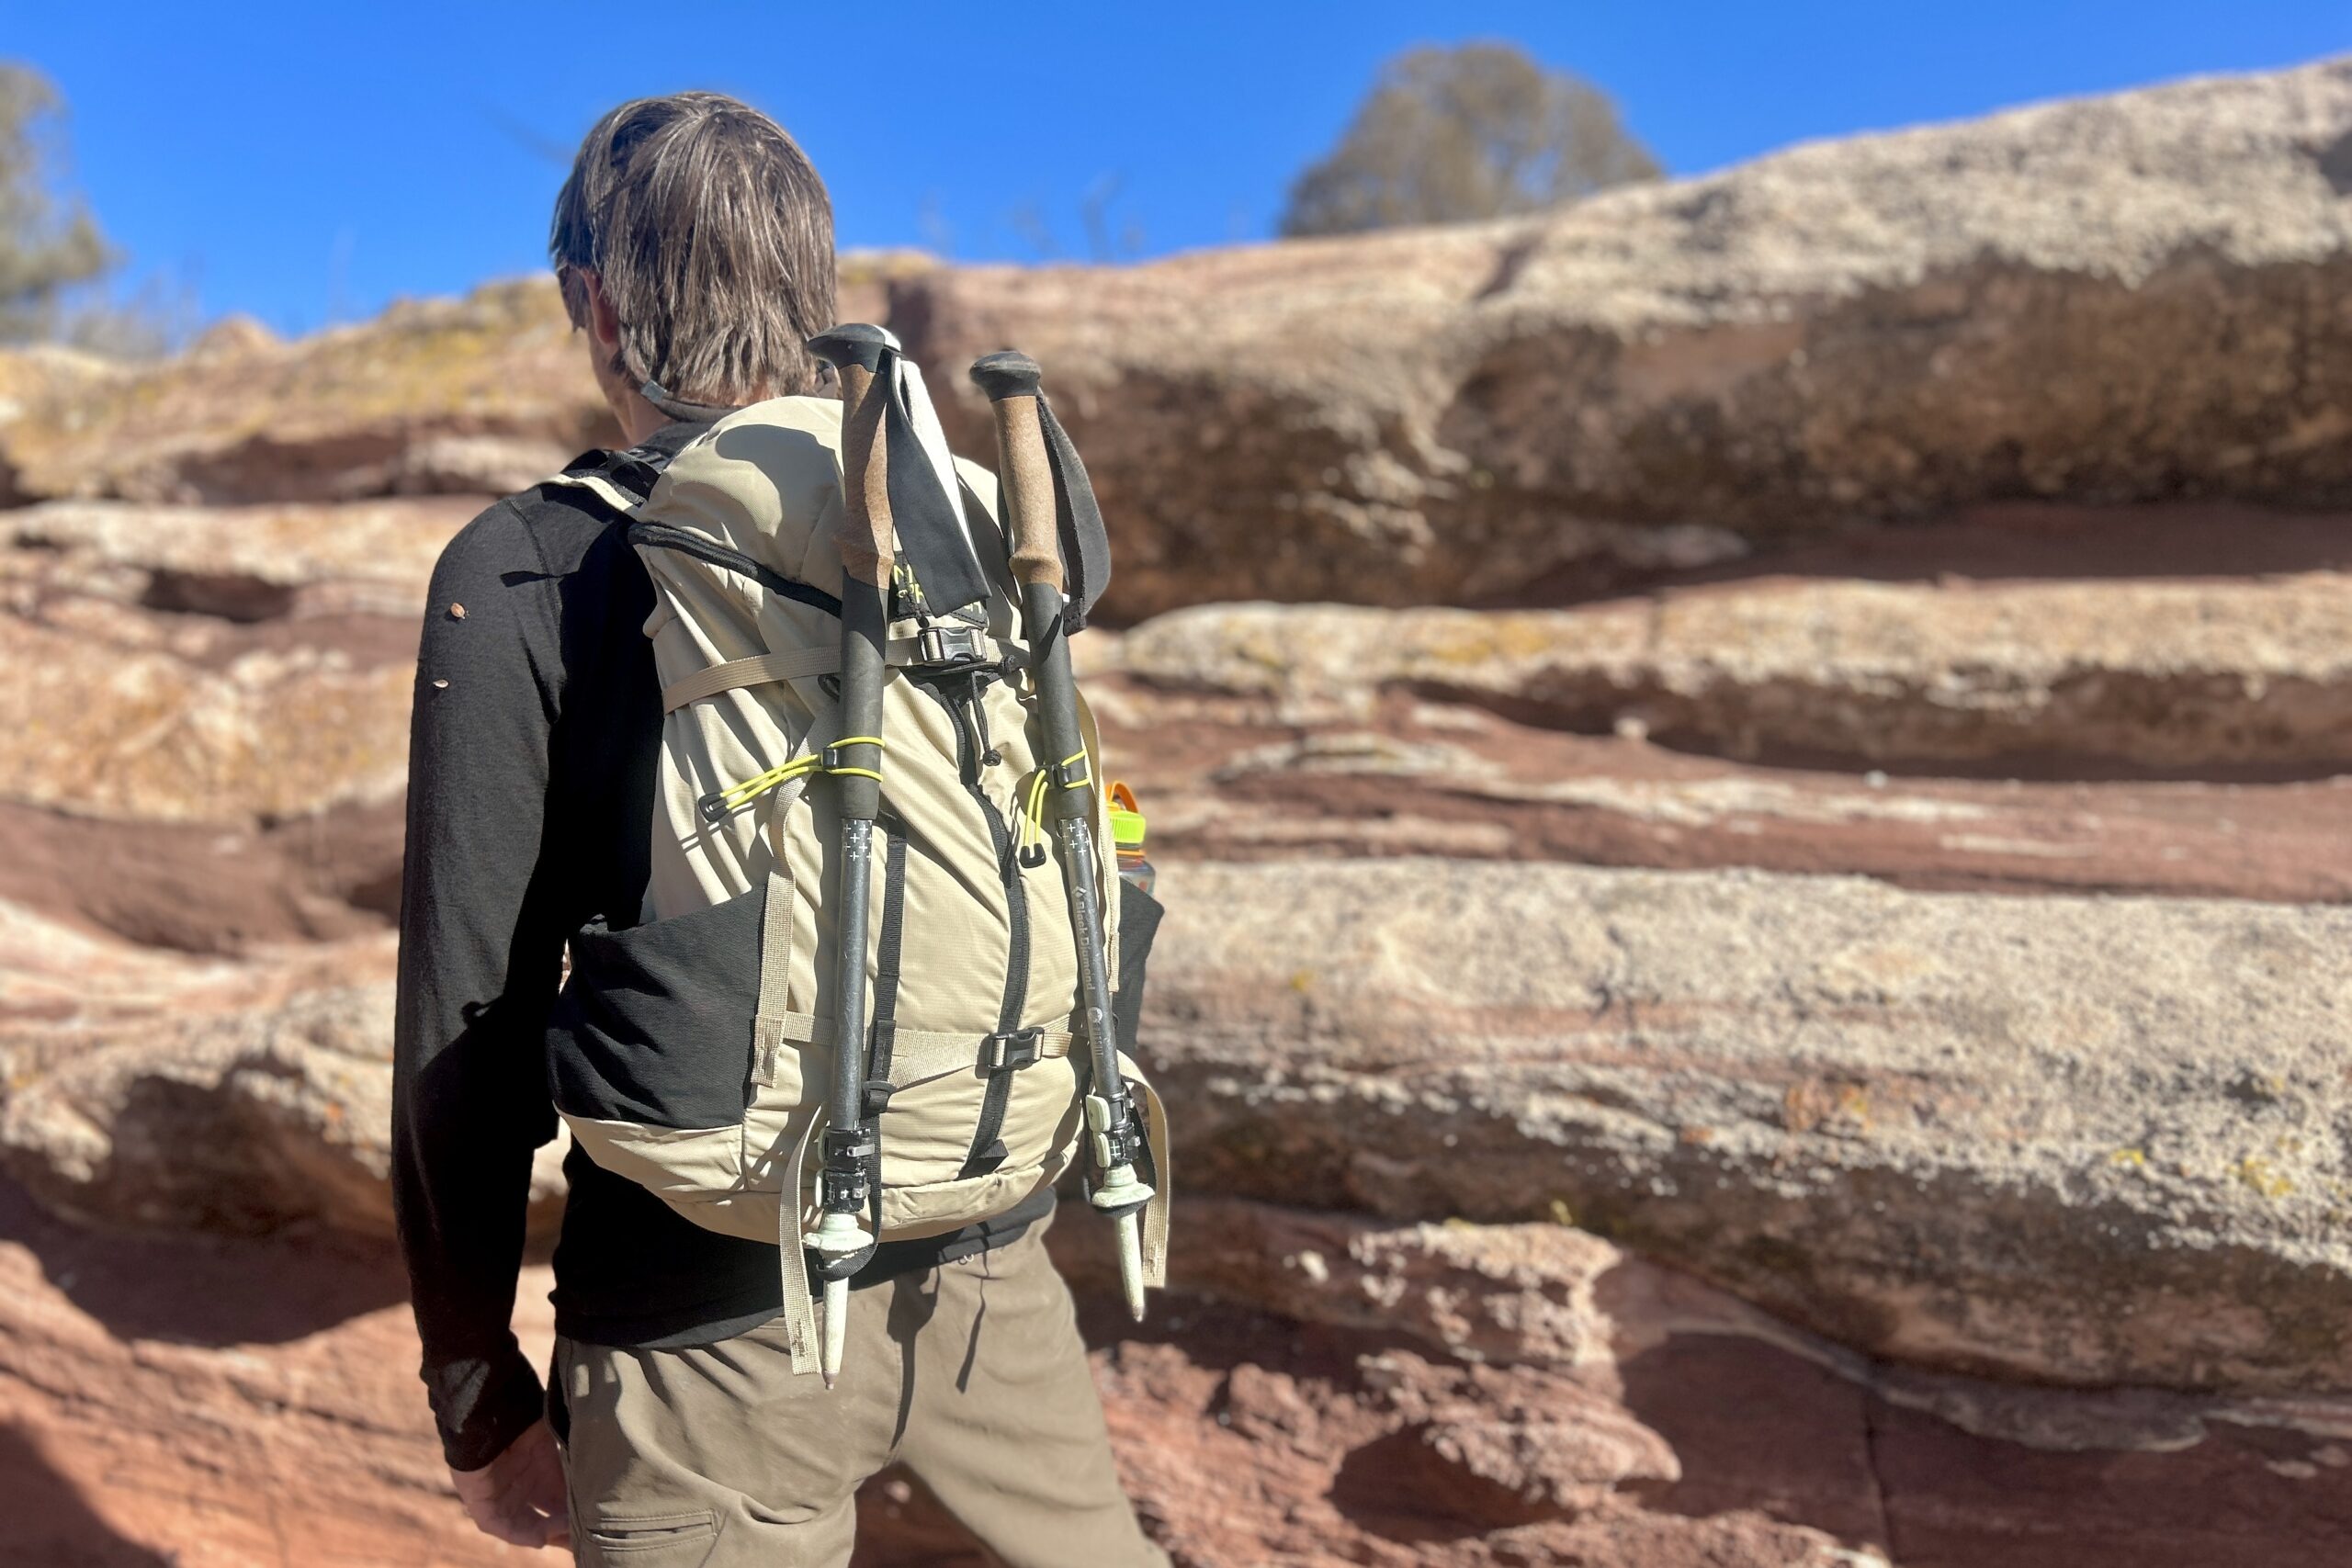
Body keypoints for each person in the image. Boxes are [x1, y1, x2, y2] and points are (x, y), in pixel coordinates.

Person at [390, 91, 1167, 1568]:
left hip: (704, 1333)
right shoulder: (959, 527)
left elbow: (466, 1021)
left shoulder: (534, 569)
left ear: (594, 306)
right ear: (813, 300)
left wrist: (472, 1377)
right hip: (990, 1268)